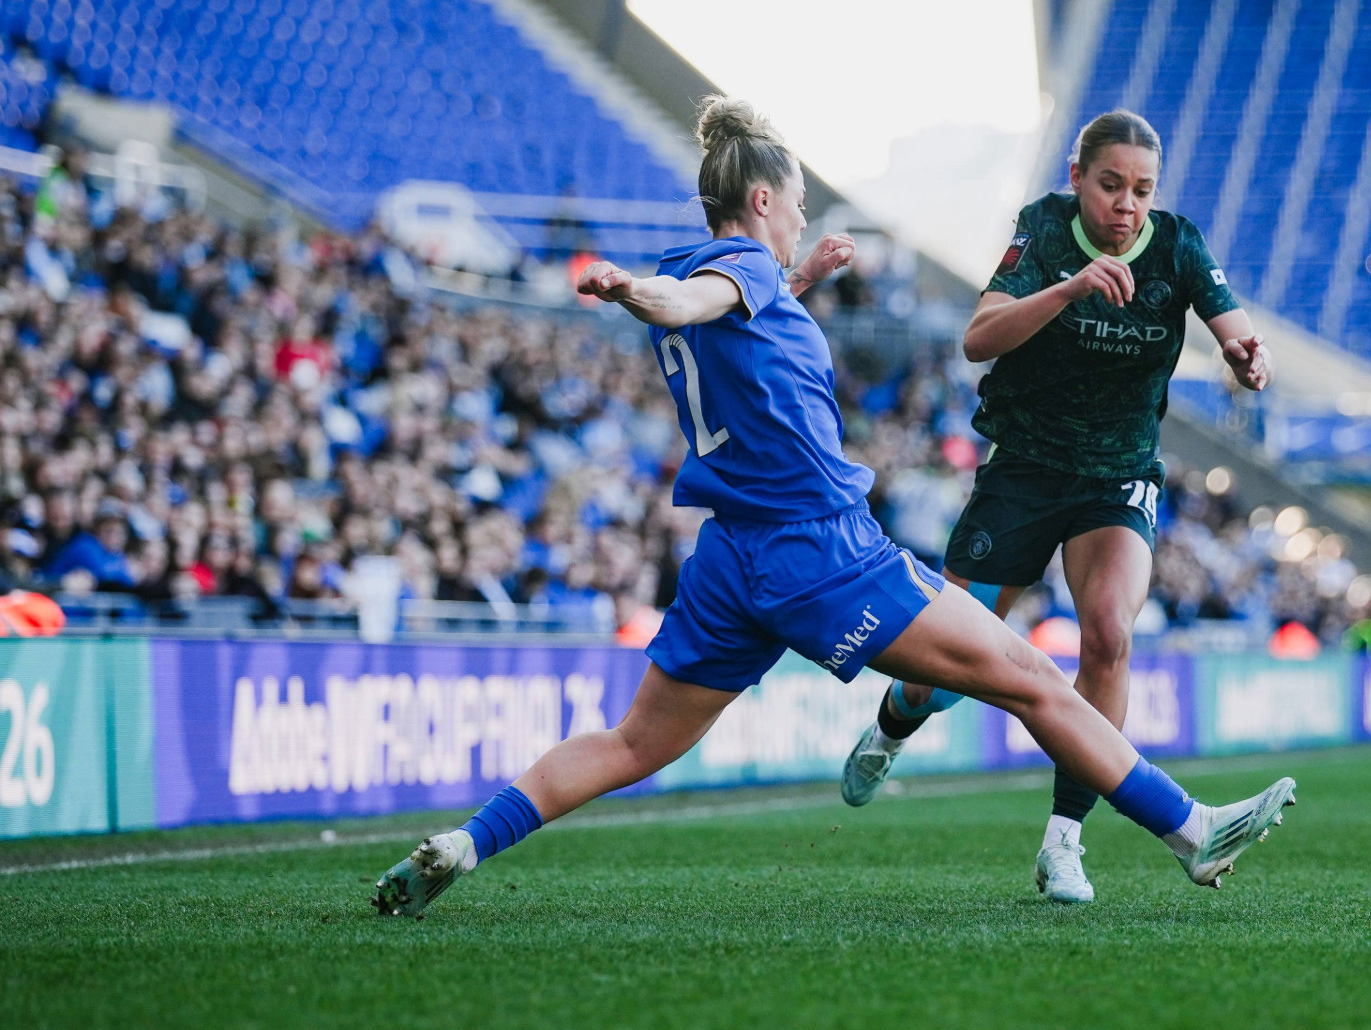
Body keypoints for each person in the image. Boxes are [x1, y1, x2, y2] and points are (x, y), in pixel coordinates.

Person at [371, 97, 1296, 919]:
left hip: (730, 561)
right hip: (822, 550)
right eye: (799, 202)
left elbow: (727, 315)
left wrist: (795, 278)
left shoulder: (731, 272)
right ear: (762, 200)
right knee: (1031, 678)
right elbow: (687, 303)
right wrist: (631, 292)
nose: (803, 216)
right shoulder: (723, 271)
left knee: (633, 742)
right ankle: (1191, 829)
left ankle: (465, 842)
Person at [838, 110, 1272, 904]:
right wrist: (1070, 285)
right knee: (943, 667)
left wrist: (1248, 356)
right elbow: (979, 338)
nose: (1127, 205)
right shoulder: (1042, 229)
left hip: (1118, 475)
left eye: (1142, 190)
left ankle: (1063, 842)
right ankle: (896, 720)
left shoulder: (1178, 244)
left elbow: (1236, 333)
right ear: (1077, 180)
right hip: (1026, 471)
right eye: (1111, 185)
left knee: (1108, 635)